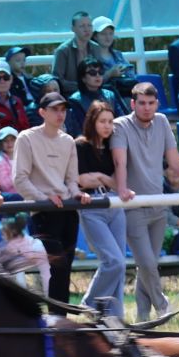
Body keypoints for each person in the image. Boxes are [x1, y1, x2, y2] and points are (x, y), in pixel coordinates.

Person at [113, 81, 179, 321]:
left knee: (147, 266)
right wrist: (122, 188)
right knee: (147, 263)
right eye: (142, 103)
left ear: (157, 103)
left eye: (151, 103)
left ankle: (141, 318)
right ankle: (163, 307)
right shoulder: (120, 126)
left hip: (159, 205)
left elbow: (175, 162)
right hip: (133, 206)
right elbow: (119, 161)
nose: (147, 108)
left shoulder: (161, 122)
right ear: (132, 104)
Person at [11, 92, 86, 304]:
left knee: (65, 266)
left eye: (63, 109)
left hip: (67, 210)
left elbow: (71, 180)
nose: (60, 114)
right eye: (54, 109)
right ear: (42, 112)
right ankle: (57, 317)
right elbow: (19, 179)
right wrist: (44, 198)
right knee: (56, 265)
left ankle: (60, 317)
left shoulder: (68, 141)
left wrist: (77, 193)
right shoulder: (26, 138)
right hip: (42, 212)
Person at [72, 103, 129, 317]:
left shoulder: (114, 147)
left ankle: (114, 316)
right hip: (91, 208)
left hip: (114, 205)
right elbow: (80, 180)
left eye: (110, 122)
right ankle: (90, 304)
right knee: (112, 261)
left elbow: (116, 182)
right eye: (102, 121)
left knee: (120, 264)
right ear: (92, 122)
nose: (107, 126)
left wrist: (101, 177)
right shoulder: (80, 146)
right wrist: (102, 179)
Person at [65, 58, 121, 138]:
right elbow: (79, 130)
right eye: (92, 73)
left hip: (112, 138)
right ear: (83, 78)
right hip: (89, 141)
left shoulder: (110, 95)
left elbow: (120, 120)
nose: (98, 75)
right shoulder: (75, 100)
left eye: (100, 72)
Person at [51, 12, 102, 90]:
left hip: (94, 92)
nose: (87, 29)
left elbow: (100, 73)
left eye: (89, 26)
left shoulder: (96, 48)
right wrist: (82, 87)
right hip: (70, 94)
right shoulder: (63, 50)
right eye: (82, 26)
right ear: (73, 29)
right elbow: (58, 80)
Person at [0, 125, 19, 193]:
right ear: (1, 144)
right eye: (5, 141)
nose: (9, 143)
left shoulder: (23, 156)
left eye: (12, 140)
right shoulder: (0, 161)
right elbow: (3, 184)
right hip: (11, 195)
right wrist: (20, 175)